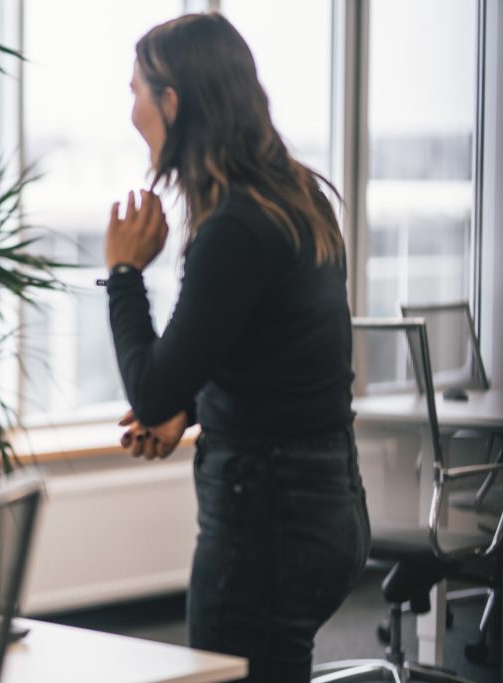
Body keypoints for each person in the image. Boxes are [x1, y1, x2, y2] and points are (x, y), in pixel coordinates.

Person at [103, 13, 370, 682]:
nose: (131, 108)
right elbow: (272, 354)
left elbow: (151, 385)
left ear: (173, 101)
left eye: (136, 90)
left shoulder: (234, 227)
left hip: (269, 519)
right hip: (330, 500)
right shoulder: (295, 197)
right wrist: (186, 411)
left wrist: (125, 273)